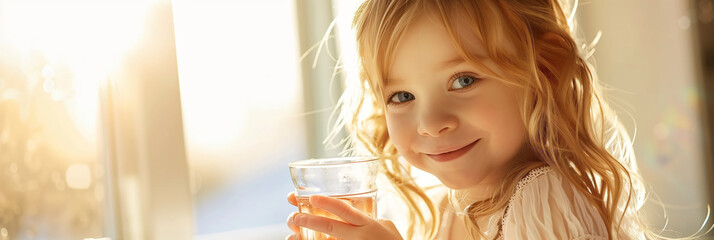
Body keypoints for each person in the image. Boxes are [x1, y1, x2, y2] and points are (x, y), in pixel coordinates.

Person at [285, 0, 668, 239]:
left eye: (463, 80)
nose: (431, 123)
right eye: (402, 96)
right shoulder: (445, 212)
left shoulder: (544, 203)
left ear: (545, 69)